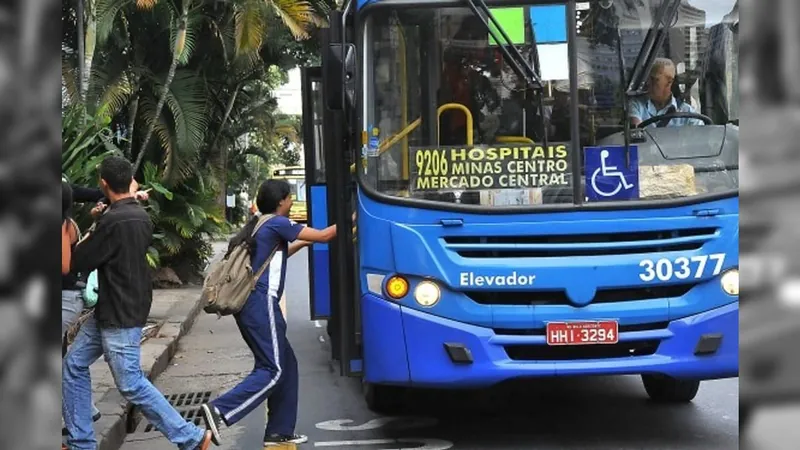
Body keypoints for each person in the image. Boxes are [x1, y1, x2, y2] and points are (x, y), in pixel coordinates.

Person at [62, 156, 213, 450]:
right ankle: (81, 441)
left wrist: (92, 226)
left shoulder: (111, 220)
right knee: (73, 365)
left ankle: (191, 437)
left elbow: (78, 260)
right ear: (130, 181)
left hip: (119, 312)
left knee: (131, 383)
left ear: (103, 184)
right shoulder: (138, 215)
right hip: (119, 307)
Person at [200, 179, 337, 447]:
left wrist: (303, 244)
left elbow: (278, 257)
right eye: (289, 198)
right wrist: (354, 217)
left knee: (287, 364)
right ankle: (221, 410)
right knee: (272, 369)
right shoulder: (277, 223)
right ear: (282, 201)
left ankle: (279, 431)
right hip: (260, 304)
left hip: (252, 305)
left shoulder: (260, 225)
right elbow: (324, 235)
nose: (291, 202)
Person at [629, 57, 706, 128]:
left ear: (669, 82)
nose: (647, 83)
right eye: (647, 79)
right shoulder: (637, 105)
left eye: (653, 79)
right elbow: (636, 131)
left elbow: (700, 136)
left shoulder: (687, 113)